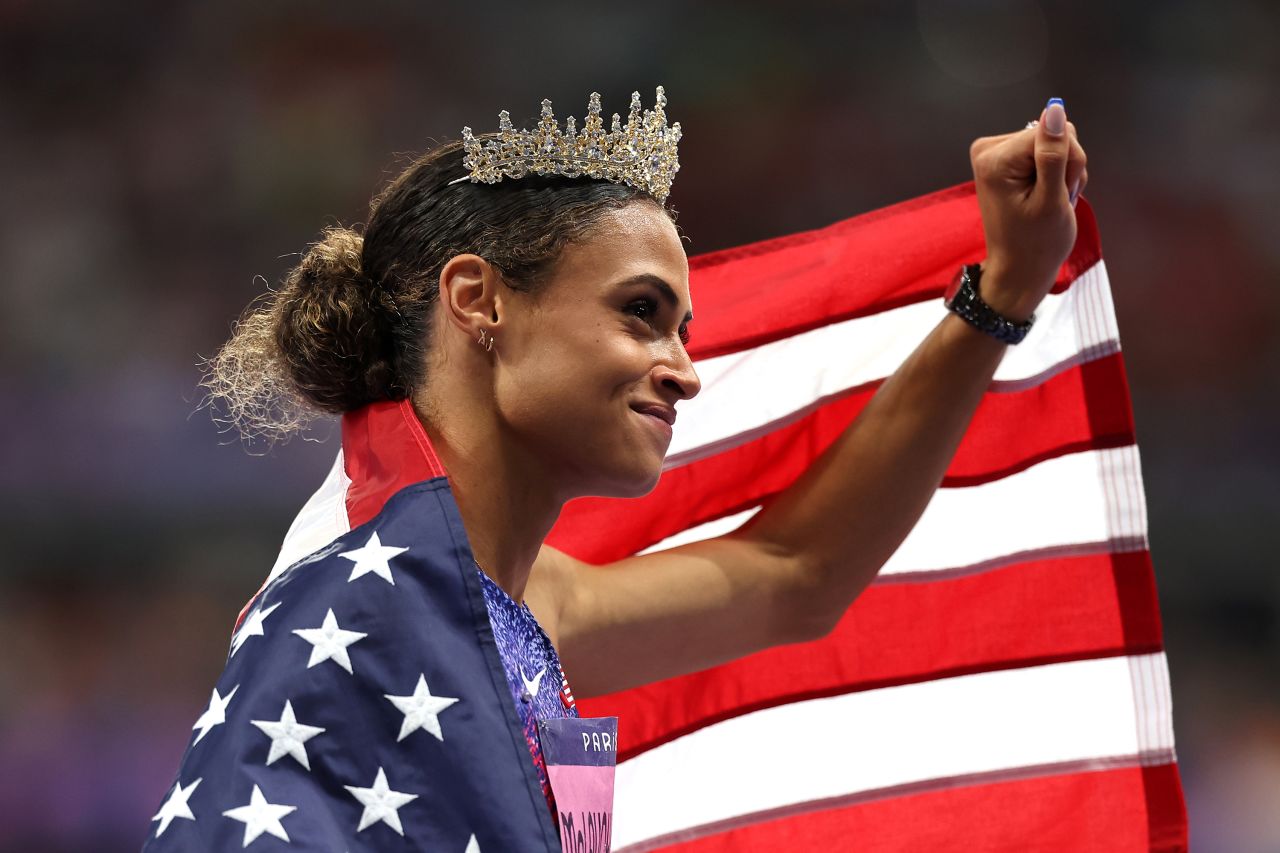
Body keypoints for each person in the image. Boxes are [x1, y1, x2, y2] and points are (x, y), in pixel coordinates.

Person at [144, 89, 1087, 850]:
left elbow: (798, 577)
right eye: (641, 312)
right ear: (479, 301)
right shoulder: (356, 581)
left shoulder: (506, 602)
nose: (684, 367)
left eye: (683, 327)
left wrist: (999, 297)